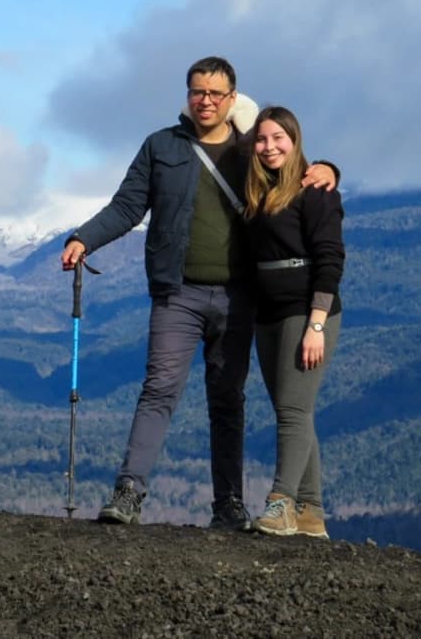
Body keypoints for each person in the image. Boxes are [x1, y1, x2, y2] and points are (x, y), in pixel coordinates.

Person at [60, 57, 337, 529]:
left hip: (241, 295)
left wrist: (330, 168)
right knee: (159, 389)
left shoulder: (252, 149)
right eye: (197, 92)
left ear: (232, 98)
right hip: (177, 292)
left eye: (215, 93)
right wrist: (84, 237)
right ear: (187, 95)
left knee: (227, 398)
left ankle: (228, 504)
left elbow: (295, 175)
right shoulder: (161, 146)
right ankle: (128, 492)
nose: (205, 101)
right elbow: (127, 206)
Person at [243, 105, 344, 540]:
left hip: (307, 312)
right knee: (296, 412)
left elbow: (330, 257)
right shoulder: (255, 192)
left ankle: (281, 504)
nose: (269, 147)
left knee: (292, 410)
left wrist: (316, 324)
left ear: (295, 139)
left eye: (278, 138)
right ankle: (311, 512)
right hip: (266, 313)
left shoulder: (315, 190)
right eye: (262, 140)